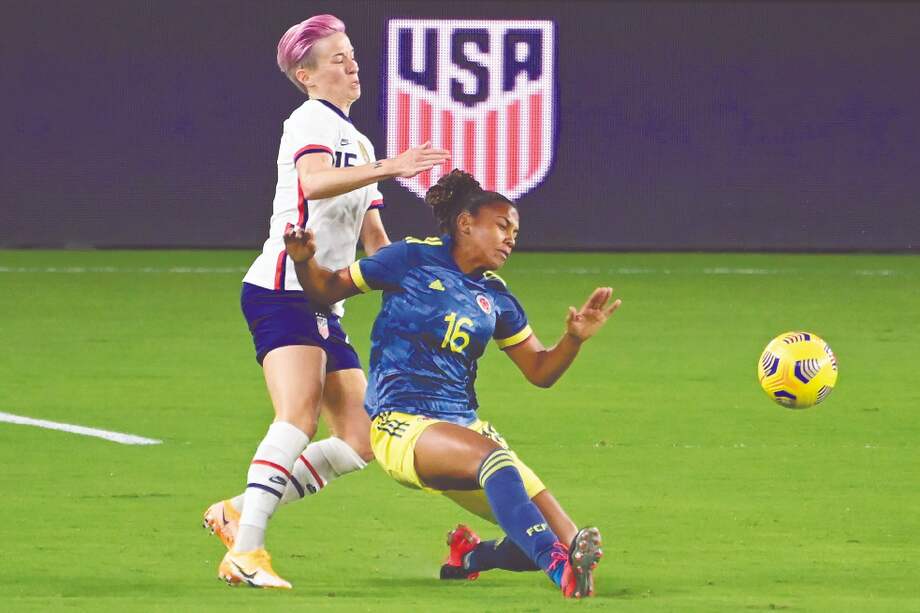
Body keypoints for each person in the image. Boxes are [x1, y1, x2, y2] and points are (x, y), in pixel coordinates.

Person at [282, 169, 621, 598]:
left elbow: (540, 371)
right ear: (465, 223)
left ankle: (469, 555)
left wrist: (573, 339)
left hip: (463, 428)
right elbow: (325, 289)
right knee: (507, 480)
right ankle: (560, 572)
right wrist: (303, 259)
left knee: (566, 539)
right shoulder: (408, 259)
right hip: (402, 424)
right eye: (502, 226)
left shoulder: (496, 295)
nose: (511, 238)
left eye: (515, 231)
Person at [204, 14, 449, 589]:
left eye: (351, 54)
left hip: (320, 302)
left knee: (361, 438)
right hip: (283, 287)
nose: (351, 64)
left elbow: (376, 243)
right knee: (297, 415)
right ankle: (246, 553)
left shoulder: (359, 142)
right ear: (306, 75)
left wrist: (424, 284)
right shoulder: (307, 120)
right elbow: (312, 182)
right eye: (337, 58)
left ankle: (239, 513)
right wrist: (390, 166)